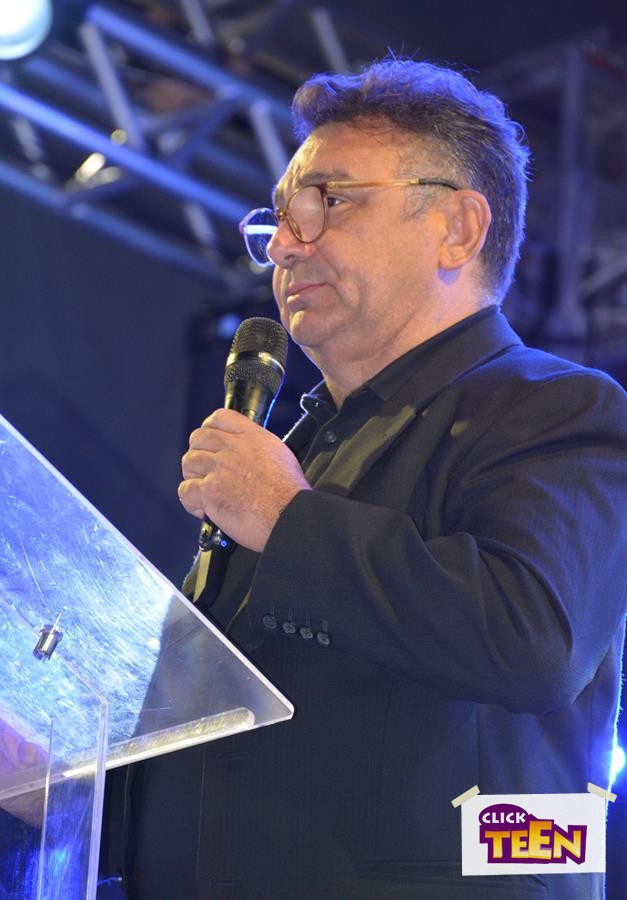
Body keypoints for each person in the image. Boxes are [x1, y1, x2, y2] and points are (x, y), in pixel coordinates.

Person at [127, 59, 627, 899]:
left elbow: (531, 639)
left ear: (456, 229)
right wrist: (69, 775)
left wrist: (285, 517)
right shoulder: (305, 447)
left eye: (330, 202)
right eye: (280, 218)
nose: (285, 244)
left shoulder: (556, 410)